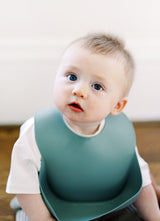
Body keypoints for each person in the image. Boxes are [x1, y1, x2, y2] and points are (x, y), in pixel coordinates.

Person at [6, 33, 160, 221]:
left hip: (110, 202)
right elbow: (24, 185)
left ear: (117, 106)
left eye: (97, 86)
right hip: (53, 203)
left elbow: (140, 179)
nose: (78, 90)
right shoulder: (37, 131)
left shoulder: (120, 133)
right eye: (72, 76)